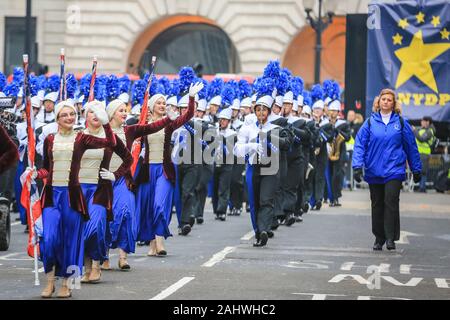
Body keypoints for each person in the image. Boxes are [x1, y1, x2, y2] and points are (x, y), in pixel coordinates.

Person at [35, 100, 116, 298]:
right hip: (52, 197)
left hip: (72, 198)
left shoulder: (82, 138)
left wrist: (106, 124)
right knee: (50, 239)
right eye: (65, 115)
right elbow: (47, 168)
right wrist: (33, 174)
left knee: (71, 242)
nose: (70, 118)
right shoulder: (50, 139)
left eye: (72, 114)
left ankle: (66, 284)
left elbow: (110, 143)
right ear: (57, 119)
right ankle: (50, 281)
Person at [352, 88, 422, 251]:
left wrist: (416, 168)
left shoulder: (401, 123)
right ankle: (379, 237)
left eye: (389, 100)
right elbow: (360, 144)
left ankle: (390, 237)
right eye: (383, 99)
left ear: (394, 103)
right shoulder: (370, 122)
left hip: (394, 170)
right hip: (374, 170)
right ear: (378, 102)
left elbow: (411, 146)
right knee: (377, 204)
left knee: (391, 202)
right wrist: (357, 166)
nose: (386, 102)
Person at [414, 116, 436, 192]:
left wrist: (415, 131)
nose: (421, 122)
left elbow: (421, 139)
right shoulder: (423, 130)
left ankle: (422, 188)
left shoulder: (430, 131)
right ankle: (421, 187)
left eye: (423, 121)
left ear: (427, 122)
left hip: (424, 153)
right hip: (419, 153)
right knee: (420, 170)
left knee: (423, 171)